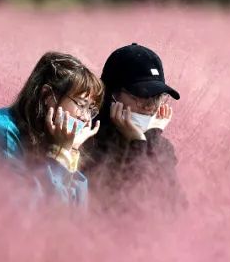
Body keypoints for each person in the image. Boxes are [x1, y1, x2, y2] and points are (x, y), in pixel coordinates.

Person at [0, 51, 102, 209]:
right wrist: (61, 154)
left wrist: (70, 151)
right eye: (81, 105)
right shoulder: (1, 130)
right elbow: (25, 211)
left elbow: (73, 215)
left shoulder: (48, 137)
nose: (86, 118)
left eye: (91, 109)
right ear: (48, 96)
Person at [80, 43, 186, 213]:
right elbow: (122, 206)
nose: (150, 106)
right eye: (141, 95)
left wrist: (149, 138)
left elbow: (174, 208)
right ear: (110, 95)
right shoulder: (87, 140)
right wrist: (138, 143)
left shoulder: (161, 147)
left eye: (157, 96)